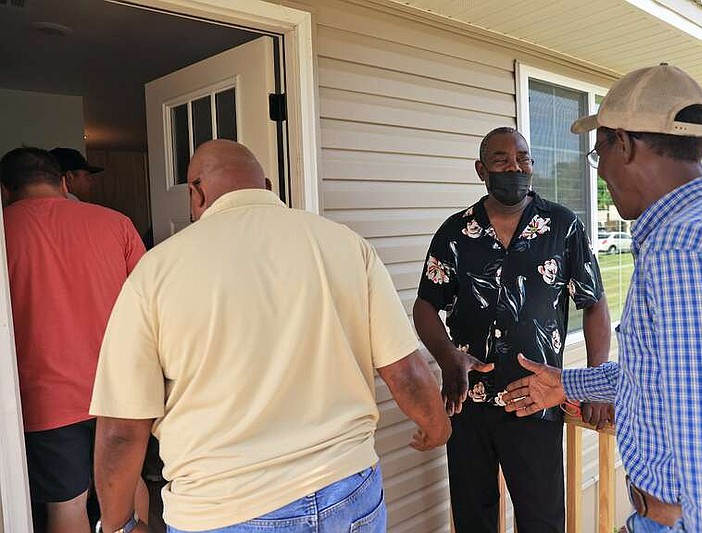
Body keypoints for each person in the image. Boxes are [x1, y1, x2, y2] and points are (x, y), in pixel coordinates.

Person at [89, 139, 451, 533]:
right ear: (266, 184)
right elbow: (405, 370)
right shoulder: (344, 244)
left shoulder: (153, 273)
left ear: (196, 193)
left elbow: (122, 431)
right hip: (347, 492)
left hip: (223, 509)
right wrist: (436, 425)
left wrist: (118, 525)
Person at [501, 64, 702, 532]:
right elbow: (669, 379)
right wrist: (567, 384)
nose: (600, 176)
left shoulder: (684, 250)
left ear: (624, 143)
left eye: (599, 153)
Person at [413, 127, 613, 533]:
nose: (515, 167)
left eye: (523, 158)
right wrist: (447, 354)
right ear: (481, 170)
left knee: (542, 521)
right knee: (473, 519)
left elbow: (593, 304)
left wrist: (593, 380)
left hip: (535, 401)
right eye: (502, 160)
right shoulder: (454, 234)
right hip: (467, 403)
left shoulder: (562, 226)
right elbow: (425, 306)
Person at [0, 147, 147, 532]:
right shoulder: (116, 223)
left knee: (68, 505)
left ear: (5, 189)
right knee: (129, 491)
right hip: (122, 389)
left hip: (47, 399)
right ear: (64, 182)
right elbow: (151, 304)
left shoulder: (4, 230)